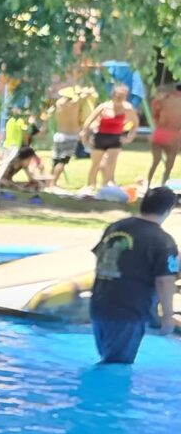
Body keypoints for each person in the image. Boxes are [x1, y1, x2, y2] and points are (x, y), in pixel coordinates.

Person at [90, 185, 178, 364]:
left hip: (99, 305)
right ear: (169, 210)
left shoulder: (116, 227)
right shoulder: (163, 240)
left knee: (108, 358)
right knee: (116, 365)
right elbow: (165, 281)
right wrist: (168, 317)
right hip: (129, 311)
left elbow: (102, 257)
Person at [85, 84, 137, 189]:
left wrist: (129, 137)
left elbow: (134, 124)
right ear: (113, 95)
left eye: (122, 96)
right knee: (96, 164)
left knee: (111, 163)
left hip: (115, 138)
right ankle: (90, 185)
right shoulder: (103, 107)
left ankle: (106, 186)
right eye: (118, 95)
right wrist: (87, 135)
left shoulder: (128, 108)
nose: (120, 98)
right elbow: (88, 123)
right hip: (100, 137)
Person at [54, 82, 97, 166]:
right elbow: (89, 94)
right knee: (62, 162)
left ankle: (53, 177)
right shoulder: (75, 103)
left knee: (57, 162)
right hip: (70, 134)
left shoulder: (59, 104)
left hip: (60, 134)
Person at [150, 83, 181, 188]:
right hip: (174, 135)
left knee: (155, 162)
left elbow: (155, 114)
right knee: (169, 164)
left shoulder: (163, 100)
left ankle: (148, 185)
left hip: (160, 132)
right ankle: (162, 185)